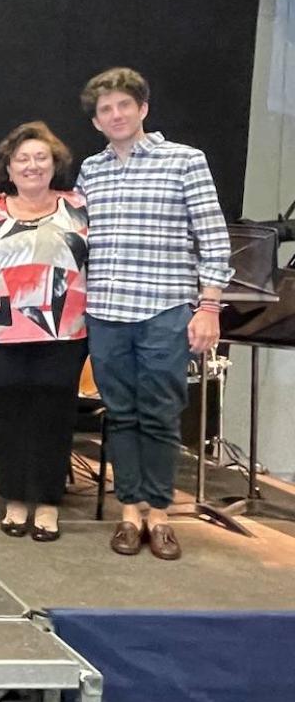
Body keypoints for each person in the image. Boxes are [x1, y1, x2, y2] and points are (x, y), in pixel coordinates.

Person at [76, 68, 233, 561]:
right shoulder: (90, 170)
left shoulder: (184, 161)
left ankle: (159, 515)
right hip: (105, 311)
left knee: (161, 413)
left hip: (165, 310)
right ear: (98, 121)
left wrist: (209, 306)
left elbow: (214, 239)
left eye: (124, 105)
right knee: (121, 414)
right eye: (106, 109)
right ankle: (129, 511)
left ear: (142, 109)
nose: (116, 115)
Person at [0, 121, 88, 543]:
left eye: (40, 158)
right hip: (2, 337)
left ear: (54, 164)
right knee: (8, 420)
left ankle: (47, 504)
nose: (31, 166)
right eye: (22, 159)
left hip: (64, 336)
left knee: (54, 418)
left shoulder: (80, 208)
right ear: (8, 169)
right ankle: (14, 500)